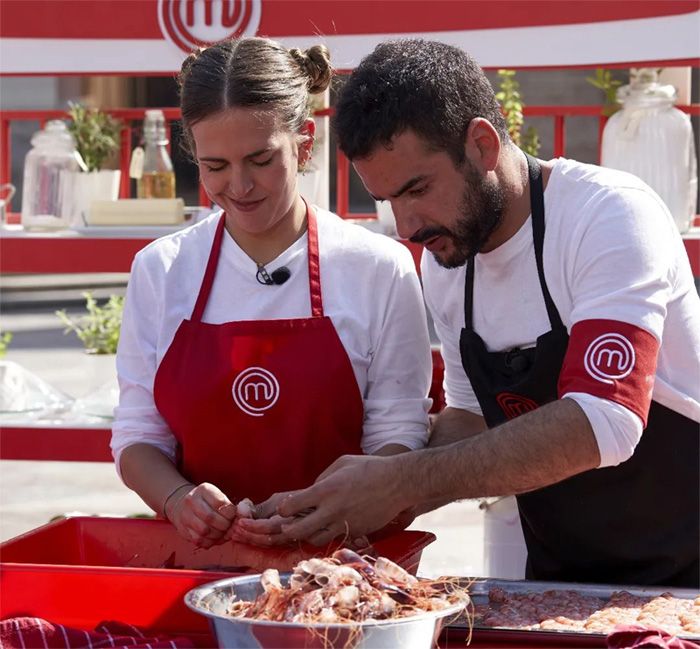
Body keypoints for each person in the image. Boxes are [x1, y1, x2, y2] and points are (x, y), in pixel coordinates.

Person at [250, 39, 700, 587]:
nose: (408, 226)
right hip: (562, 581)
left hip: (687, 572)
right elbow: (471, 417)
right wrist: (354, 506)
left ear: (482, 144)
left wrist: (401, 482)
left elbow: (604, 422)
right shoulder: (445, 264)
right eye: (388, 200)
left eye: (417, 188)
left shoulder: (606, 216)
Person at [111, 37, 432, 549]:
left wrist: (339, 507)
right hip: (203, 562)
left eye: (260, 159)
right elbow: (138, 434)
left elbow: (398, 430)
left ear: (304, 144)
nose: (239, 186)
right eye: (215, 166)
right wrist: (177, 500)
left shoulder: (377, 268)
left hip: (345, 564)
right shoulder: (162, 269)